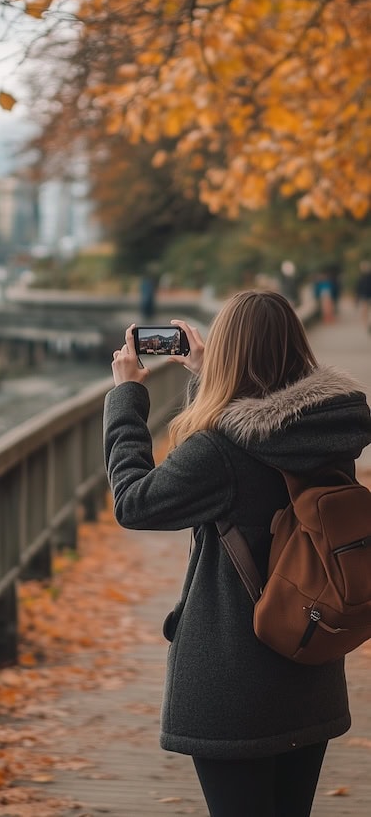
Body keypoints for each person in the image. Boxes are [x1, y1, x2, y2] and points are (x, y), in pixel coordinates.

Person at [103, 290, 371, 817]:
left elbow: (133, 502)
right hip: (309, 662)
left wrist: (127, 397)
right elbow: (266, 427)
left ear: (227, 351)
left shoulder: (218, 451)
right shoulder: (329, 432)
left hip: (232, 683)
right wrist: (210, 376)